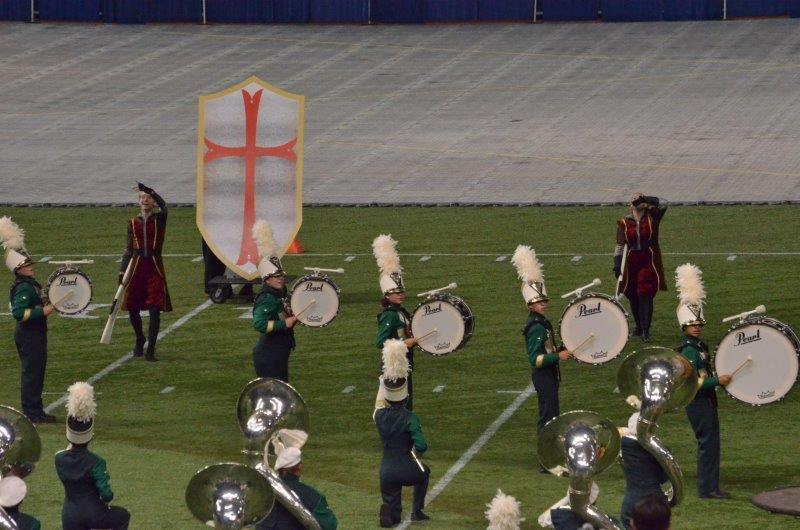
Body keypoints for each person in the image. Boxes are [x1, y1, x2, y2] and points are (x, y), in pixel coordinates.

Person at [675, 263, 731, 500]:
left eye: (699, 324)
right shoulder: (689, 350)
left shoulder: (698, 346)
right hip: (698, 402)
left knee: (711, 443)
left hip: (705, 401)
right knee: (708, 443)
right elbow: (692, 383)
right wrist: (718, 381)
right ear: (684, 326)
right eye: (692, 325)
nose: (696, 328)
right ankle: (707, 489)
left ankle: (710, 486)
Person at [512, 245, 572, 436]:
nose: (543, 304)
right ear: (530, 305)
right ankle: (546, 451)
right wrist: (558, 356)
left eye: (544, 301)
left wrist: (562, 349)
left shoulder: (542, 321)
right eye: (538, 302)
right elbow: (535, 359)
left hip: (550, 374)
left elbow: (548, 348)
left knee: (552, 415)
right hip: (544, 376)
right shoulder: (536, 326)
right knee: (548, 417)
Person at [1, 217, 55, 424]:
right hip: (29, 334)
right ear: (19, 269)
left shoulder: (28, 283)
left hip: (34, 334)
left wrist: (44, 303)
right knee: (32, 374)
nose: (31, 266)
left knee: (36, 372)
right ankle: (32, 412)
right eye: (27, 264)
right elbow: (18, 313)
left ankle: (36, 409)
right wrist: (43, 311)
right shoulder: (24, 287)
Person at [55, 382, 130, 530]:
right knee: (123, 515)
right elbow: (107, 495)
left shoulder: (58, 458)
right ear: (90, 435)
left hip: (69, 516)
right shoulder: (96, 462)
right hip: (94, 515)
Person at [374, 339, 430, 527]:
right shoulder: (410, 417)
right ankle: (417, 511)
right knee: (424, 472)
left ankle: (391, 513)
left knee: (394, 515)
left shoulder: (379, 416)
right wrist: (415, 453)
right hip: (405, 467)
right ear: (405, 396)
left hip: (385, 471)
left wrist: (385, 378)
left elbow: (379, 403)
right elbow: (422, 446)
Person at [119, 182, 171, 362]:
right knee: (133, 307)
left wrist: (151, 191)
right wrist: (122, 273)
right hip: (137, 266)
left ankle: (151, 349)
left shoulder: (159, 219)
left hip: (154, 266)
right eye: (142, 197)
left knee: (155, 308)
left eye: (148, 197)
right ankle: (140, 338)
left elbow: (165, 206)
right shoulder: (132, 223)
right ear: (138, 202)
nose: (145, 200)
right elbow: (128, 250)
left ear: (153, 201)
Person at [613, 193, 668, 342]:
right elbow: (620, 246)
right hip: (631, 261)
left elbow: (664, 203)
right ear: (630, 205)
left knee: (645, 293)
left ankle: (646, 331)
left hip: (648, 258)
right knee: (632, 295)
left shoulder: (652, 217)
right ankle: (638, 327)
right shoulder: (624, 222)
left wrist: (646, 199)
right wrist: (617, 264)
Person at [373, 235, 417, 410]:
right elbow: (380, 342)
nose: (400, 295)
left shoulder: (401, 311)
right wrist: (405, 344)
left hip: (404, 365)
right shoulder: (390, 316)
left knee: (406, 406)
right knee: (399, 409)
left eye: (401, 291)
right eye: (396, 292)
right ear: (387, 295)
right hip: (394, 368)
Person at [251, 219, 297, 381]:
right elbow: (259, 324)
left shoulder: (279, 292)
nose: (280, 279)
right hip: (269, 353)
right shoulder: (267, 298)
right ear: (267, 279)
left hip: (278, 349)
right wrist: (284, 324)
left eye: (281, 276)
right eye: (276, 277)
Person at [256, 446, 337, 529]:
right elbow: (330, 525)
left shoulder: (263, 493)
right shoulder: (312, 495)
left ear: (279, 469)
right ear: (299, 467)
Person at [619, 411, 669, 529]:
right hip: (655, 504)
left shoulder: (623, 444)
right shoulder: (660, 448)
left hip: (630, 502)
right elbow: (663, 478)